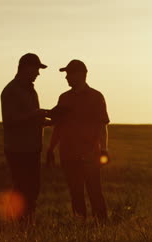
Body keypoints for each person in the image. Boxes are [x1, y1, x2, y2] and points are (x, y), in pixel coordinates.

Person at [46, 59, 109, 221]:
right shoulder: (64, 98)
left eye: (69, 74)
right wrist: (51, 149)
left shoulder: (96, 97)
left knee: (95, 192)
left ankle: (101, 225)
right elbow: (58, 127)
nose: (66, 78)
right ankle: (80, 225)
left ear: (81, 75)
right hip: (68, 155)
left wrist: (104, 150)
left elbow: (102, 126)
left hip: (90, 155)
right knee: (76, 193)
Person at [0, 53, 49, 221]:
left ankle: (22, 221)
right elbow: (10, 121)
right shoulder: (11, 91)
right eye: (36, 69)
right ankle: (19, 222)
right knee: (24, 188)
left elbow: (29, 118)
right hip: (18, 149)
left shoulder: (29, 89)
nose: (38, 73)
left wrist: (46, 120)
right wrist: (35, 115)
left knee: (32, 188)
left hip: (32, 148)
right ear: (25, 68)